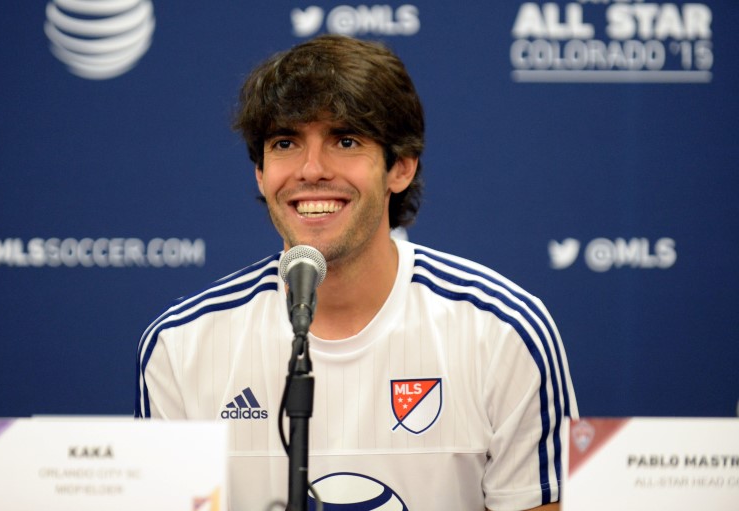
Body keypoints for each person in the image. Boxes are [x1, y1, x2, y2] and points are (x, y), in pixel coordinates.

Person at [136, 34, 577, 510]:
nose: (311, 169)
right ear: (260, 175)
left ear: (400, 168)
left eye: (345, 140)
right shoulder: (181, 346)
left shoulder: (502, 332)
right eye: (285, 143)